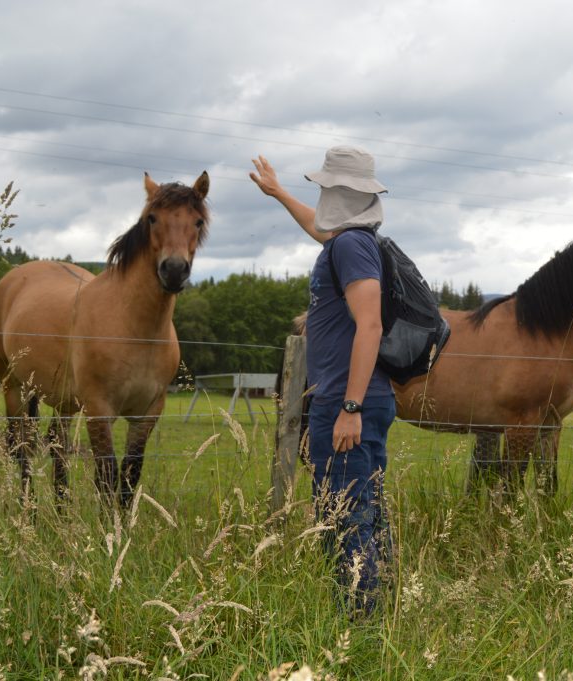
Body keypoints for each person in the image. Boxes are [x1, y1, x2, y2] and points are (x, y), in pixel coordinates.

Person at [250, 146, 395, 614]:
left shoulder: (351, 246)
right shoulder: (352, 239)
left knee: (346, 521)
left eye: (325, 187)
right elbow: (319, 226)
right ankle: (378, 616)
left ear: (339, 190)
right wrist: (277, 193)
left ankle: (359, 628)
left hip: (347, 402)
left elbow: (369, 325)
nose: (321, 193)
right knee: (363, 510)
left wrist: (349, 408)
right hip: (356, 398)